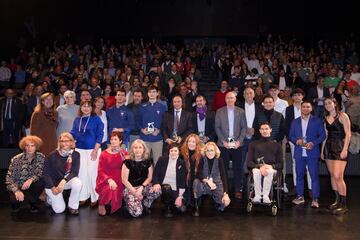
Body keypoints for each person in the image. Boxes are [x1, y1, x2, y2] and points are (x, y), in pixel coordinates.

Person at [289, 101, 326, 208]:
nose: (305, 108)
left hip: (312, 153)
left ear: (311, 108)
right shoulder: (295, 122)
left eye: (307, 107)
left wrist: (313, 143)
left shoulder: (317, 121)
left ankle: (315, 198)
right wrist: (297, 141)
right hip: (299, 153)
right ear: (301, 108)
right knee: (299, 176)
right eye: (303, 106)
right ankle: (300, 197)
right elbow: (291, 136)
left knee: (314, 176)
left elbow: (322, 136)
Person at [70, 100, 104, 206]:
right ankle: (83, 196)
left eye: (88, 106)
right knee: (82, 173)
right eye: (84, 106)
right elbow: (73, 133)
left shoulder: (96, 119)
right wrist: (69, 140)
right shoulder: (77, 119)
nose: (86, 108)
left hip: (92, 150)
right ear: (80, 108)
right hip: (79, 150)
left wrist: (95, 150)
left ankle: (95, 197)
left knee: (93, 173)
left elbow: (100, 135)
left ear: (92, 108)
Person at [215, 91, 247, 199]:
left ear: (235, 99)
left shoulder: (241, 111)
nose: (229, 99)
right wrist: (223, 141)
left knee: (237, 167)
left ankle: (237, 189)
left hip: (238, 144)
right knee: (223, 168)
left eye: (231, 98)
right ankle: (225, 189)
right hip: (223, 144)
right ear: (225, 99)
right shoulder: (219, 111)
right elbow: (217, 127)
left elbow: (244, 128)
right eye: (228, 98)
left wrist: (239, 141)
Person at [323, 97, 352, 214]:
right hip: (328, 147)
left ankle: (344, 204)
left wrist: (345, 149)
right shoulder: (326, 118)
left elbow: (348, 134)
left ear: (335, 104)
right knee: (332, 176)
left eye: (329, 103)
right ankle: (337, 201)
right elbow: (326, 136)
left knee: (338, 176)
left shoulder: (343, 115)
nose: (327, 105)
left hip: (340, 147)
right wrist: (322, 151)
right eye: (325, 104)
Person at [43, 133, 82, 215]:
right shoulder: (52, 155)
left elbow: (74, 172)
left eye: (67, 141)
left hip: (64, 182)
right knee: (59, 210)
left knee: (77, 183)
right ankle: (49, 199)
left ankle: (72, 206)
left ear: (71, 142)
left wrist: (64, 181)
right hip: (53, 184)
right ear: (59, 142)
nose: (64, 143)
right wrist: (52, 187)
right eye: (62, 141)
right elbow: (46, 174)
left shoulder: (76, 155)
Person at [121, 139, 160, 217]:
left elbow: (149, 177)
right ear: (132, 149)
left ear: (144, 149)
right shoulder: (127, 162)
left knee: (157, 190)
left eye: (140, 147)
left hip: (142, 187)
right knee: (137, 213)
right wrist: (135, 192)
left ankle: (145, 204)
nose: (138, 150)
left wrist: (141, 188)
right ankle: (130, 202)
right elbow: (124, 180)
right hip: (130, 188)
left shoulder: (148, 161)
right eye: (135, 147)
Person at [5, 135, 45, 213]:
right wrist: (16, 190)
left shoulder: (41, 157)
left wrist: (31, 179)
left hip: (31, 185)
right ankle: (17, 202)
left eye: (32, 146)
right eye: (27, 145)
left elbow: (40, 172)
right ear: (24, 147)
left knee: (41, 181)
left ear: (36, 147)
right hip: (18, 185)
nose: (30, 148)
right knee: (15, 202)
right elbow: (8, 179)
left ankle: (33, 202)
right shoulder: (16, 159)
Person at [247, 123, 283, 203]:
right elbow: (249, 162)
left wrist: (270, 166)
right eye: (262, 129)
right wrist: (259, 166)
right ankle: (257, 195)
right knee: (256, 171)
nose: (264, 131)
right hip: (257, 168)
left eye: (266, 129)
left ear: (270, 130)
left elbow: (281, 164)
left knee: (269, 171)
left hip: (271, 169)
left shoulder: (277, 145)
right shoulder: (253, 144)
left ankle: (266, 196)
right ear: (259, 131)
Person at [193, 142, 231, 216]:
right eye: (208, 150)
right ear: (205, 151)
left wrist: (226, 193)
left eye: (212, 150)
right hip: (204, 183)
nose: (210, 152)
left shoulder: (219, 160)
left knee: (225, 203)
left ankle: (217, 201)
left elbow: (223, 176)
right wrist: (207, 181)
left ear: (215, 151)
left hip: (216, 183)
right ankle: (196, 205)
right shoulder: (202, 159)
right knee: (196, 182)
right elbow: (198, 174)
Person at [96, 131, 128, 216]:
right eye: (111, 139)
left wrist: (121, 154)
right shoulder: (104, 154)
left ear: (120, 141)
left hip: (120, 178)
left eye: (115, 139)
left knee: (118, 196)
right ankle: (101, 204)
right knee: (110, 189)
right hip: (105, 178)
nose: (113, 141)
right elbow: (100, 170)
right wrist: (109, 180)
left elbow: (129, 165)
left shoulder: (124, 152)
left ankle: (112, 200)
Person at [152, 144, 187, 217]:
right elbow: (155, 174)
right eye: (171, 151)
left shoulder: (182, 162)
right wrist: (156, 183)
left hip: (175, 188)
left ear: (178, 152)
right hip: (164, 186)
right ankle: (167, 207)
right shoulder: (162, 159)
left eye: (175, 151)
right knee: (166, 188)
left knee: (182, 209)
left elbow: (183, 181)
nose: (173, 152)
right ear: (168, 152)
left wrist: (180, 197)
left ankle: (172, 201)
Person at [139, 85, 167, 166]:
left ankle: (156, 179)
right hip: (145, 138)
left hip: (157, 138)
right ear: (147, 94)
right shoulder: (142, 106)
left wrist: (159, 130)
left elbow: (165, 122)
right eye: (150, 92)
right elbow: (138, 121)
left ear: (157, 93)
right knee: (144, 162)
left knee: (157, 162)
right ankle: (144, 179)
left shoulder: (162, 107)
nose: (152, 94)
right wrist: (142, 130)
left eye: (154, 92)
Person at [30, 92, 58, 157]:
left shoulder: (55, 113)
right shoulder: (37, 113)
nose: (49, 101)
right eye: (46, 99)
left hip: (52, 141)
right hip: (41, 142)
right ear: (42, 102)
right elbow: (33, 131)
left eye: (51, 99)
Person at [180, 134, 203, 206]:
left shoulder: (201, 155)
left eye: (193, 142)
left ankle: (196, 202)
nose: (191, 143)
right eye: (189, 141)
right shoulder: (182, 153)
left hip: (197, 179)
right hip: (185, 180)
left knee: (196, 182)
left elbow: (202, 172)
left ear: (197, 144)